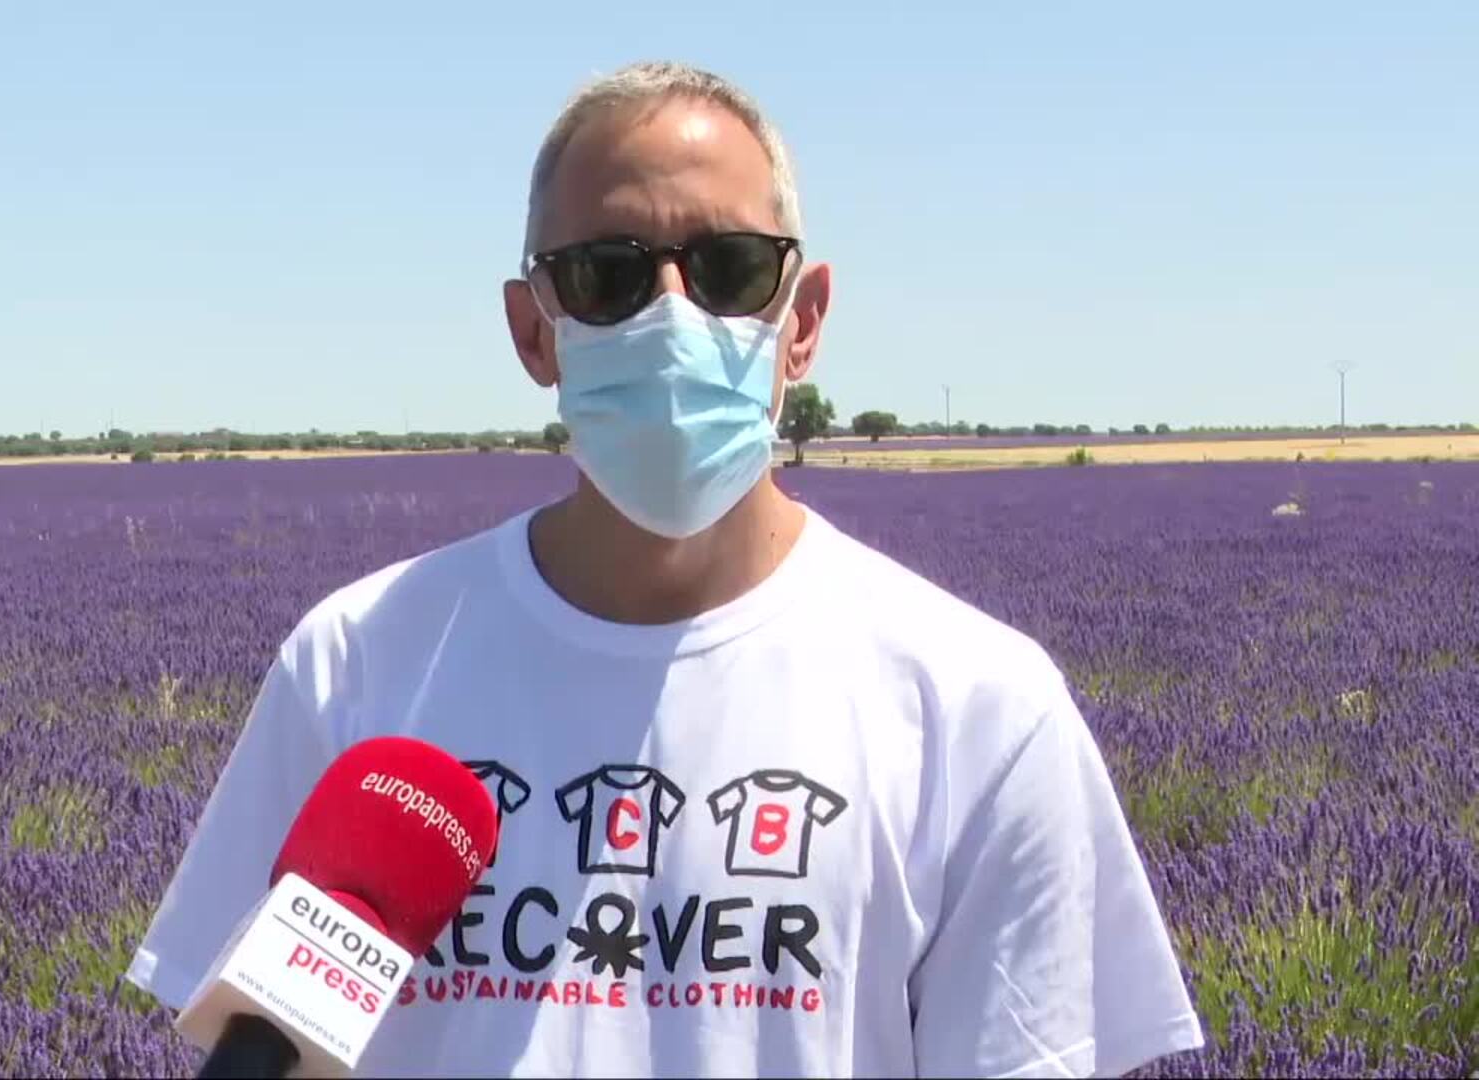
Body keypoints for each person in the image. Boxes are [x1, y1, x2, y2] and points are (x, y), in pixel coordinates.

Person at [127, 61, 1204, 1078]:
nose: (673, 315)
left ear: (803, 320)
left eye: (731, 269)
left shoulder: (978, 710)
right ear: (533, 333)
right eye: (607, 276)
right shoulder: (358, 662)